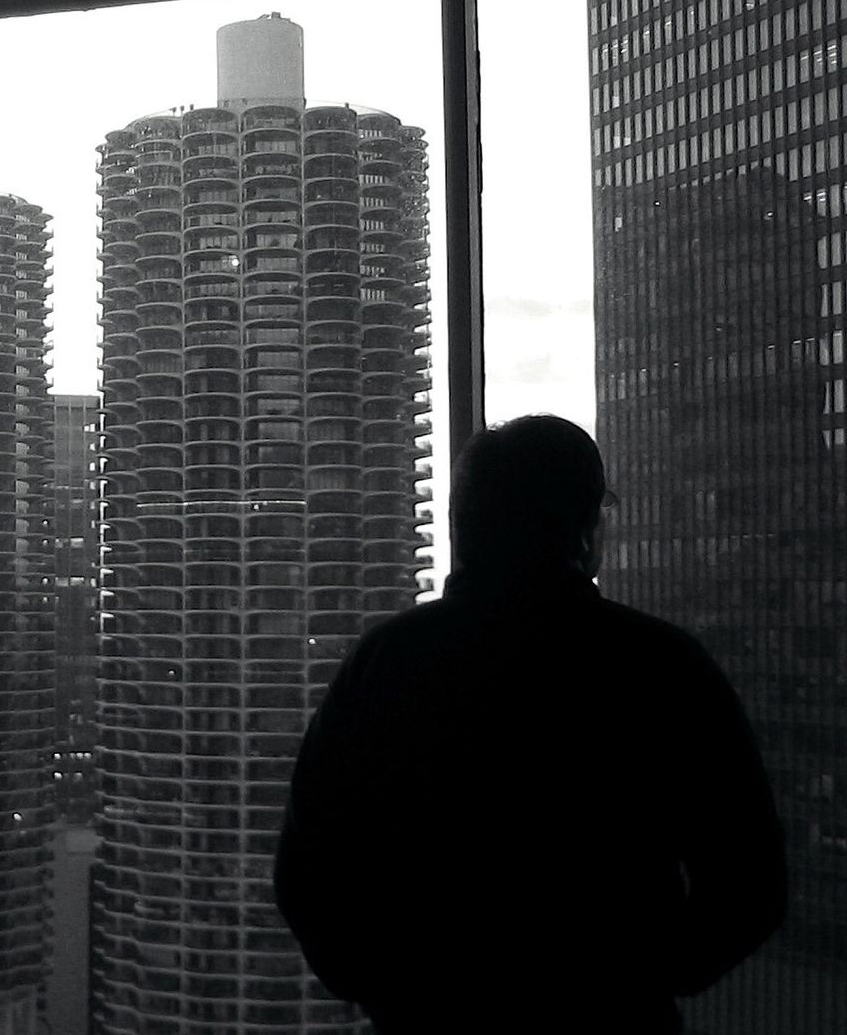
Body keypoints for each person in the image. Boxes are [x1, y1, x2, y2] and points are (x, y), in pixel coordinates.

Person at [274, 415, 785, 1034]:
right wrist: (641, 978)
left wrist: (393, 991)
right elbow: (752, 881)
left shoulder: (384, 664)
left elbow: (309, 869)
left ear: (464, 527)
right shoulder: (658, 665)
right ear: (583, 528)